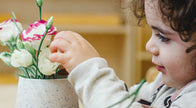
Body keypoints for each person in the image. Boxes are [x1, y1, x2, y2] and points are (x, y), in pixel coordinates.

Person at [48, 0, 196, 107]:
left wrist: (89, 72)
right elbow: (126, 100)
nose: (149, 45)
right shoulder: (169, 83)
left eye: (163, 37)